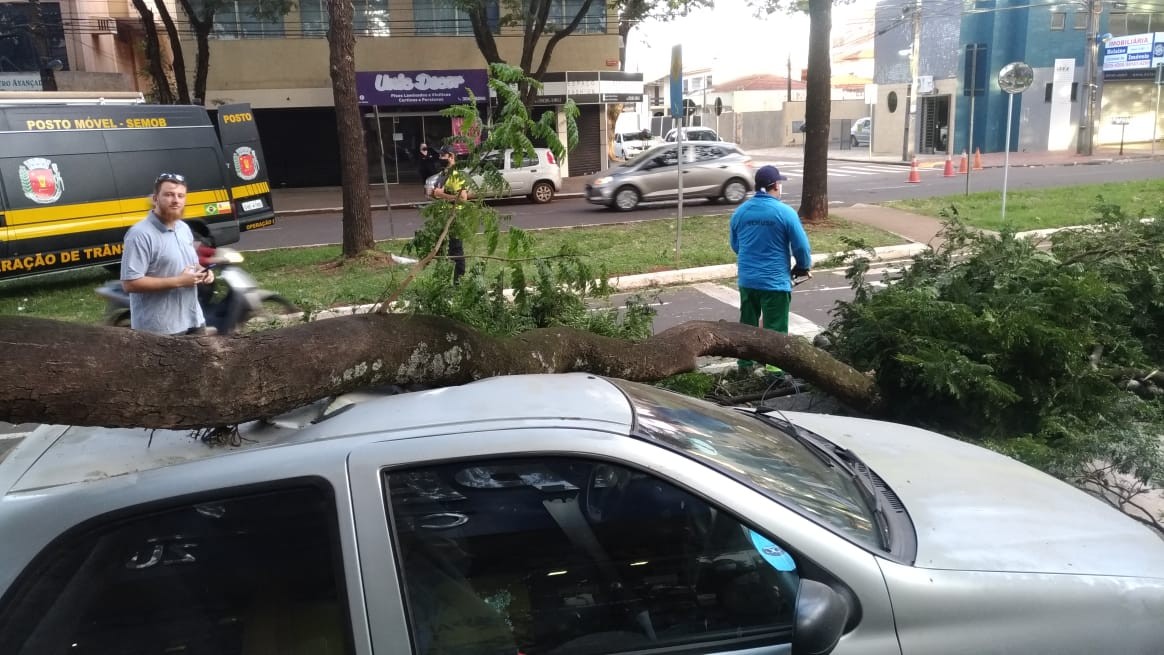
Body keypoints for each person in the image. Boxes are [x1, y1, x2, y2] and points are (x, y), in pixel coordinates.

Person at [728, 165, 812, 371]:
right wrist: (802, 266)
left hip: (747, 281)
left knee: (747, 326)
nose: (780, 187)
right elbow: (801, 246)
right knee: (775, 331)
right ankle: (774, 375)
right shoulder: (785, 212)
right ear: (775, 185)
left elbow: (736, 245)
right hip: (775, 284)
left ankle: (744, 366)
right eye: (780, 184)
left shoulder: (740, 212)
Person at [120, 172, 215, 335]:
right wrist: (180, 281)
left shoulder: (183, 228)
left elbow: (189, 262)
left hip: (193, 319)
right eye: (169, 194)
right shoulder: (139, 235)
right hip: (160, 329)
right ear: (156, 198)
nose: (176, 200)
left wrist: (203, 272)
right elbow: (130, 283)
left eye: (181, 195)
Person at [430, 145, 469, 282]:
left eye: (442, 156)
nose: (440, 158)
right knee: (441, 250)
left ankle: (459, 282)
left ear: (451, 156)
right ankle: (442, 283)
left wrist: (443, 195)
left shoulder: (456, 174)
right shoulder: (444, 173)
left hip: (454, 217)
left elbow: (463, 199)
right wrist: (435, 194)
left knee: (456, 250)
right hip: (443, 216)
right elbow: (439, 193)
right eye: (439, 155)